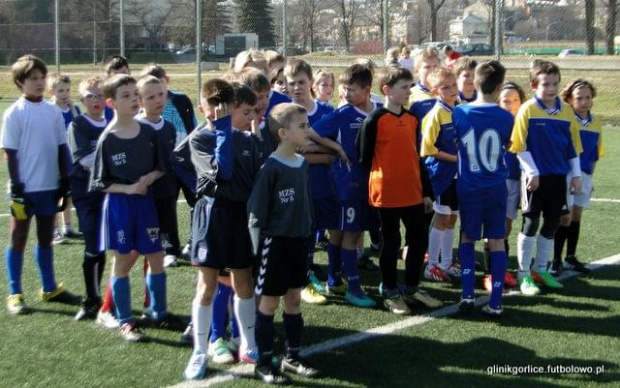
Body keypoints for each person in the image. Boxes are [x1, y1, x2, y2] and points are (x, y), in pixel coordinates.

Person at [183, 79, 261, 380]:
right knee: (207, 285)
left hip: (240, 218)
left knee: (243, 280)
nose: (218, 112)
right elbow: (222, 172)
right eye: (213, 106)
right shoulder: (199, 139)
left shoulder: (247, 140)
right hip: (211, 217)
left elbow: (256, 181)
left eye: (224, 107)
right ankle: (200, 351)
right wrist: (222, 129)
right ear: (203, 108)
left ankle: (249, 343)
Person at [90, 74, 171, 342]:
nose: (134, 100)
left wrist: (150, 178)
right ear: (111, 102)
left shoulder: (146, 132)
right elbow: (100, 183)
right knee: (123, 260)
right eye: (126, 96)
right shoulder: (108, 139)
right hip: (121, 206)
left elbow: (161, 166)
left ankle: (158, 311)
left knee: (156, 255)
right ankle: (125, 320)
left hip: (145, 203)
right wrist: (127, 188)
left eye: (135, 94)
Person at [356, 66, 442, 315]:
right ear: (387, 90)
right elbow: (363, 157)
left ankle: (412, 288)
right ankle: (391, 291)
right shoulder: (374, 119)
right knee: (390, 244)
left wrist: (426, 192)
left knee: (418, 240)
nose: (409, 92)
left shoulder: (413, 119)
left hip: (413, 192)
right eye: (404, 87)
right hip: (386, 194)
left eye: (410, 87)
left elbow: (417, 158)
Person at [1, 54, 81, 315]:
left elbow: (61, 147)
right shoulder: (14, 113)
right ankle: (15, 292)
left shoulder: (53, 112)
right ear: (20, 82)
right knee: (18, 238)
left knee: (45, 238)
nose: (38, 82)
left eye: (41, 77)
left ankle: (49, 288)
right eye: (32, 78)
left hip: (50, 187)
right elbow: (10, 153)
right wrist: (16, 187)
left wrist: (66, 180)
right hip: (24, 189)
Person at [248, 103, 318, 384]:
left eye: (307, 124)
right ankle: (264, 362)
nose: (308, 130)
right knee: (269, 303)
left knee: (294, 299)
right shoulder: (271, 168)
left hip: (300, 242)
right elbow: (256, 214)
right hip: (276, 245)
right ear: (283, 133)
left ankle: (292, 355)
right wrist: (258, 251)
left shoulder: (301, 163)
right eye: (302, 126)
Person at [509, 60, 583, 296]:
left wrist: (576, 174)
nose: (551, 88)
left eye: (554, 84)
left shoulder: (566, 111)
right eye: (545, 84)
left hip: (558, 177)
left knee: (552, 222)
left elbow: (572, 146)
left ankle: (542, 269)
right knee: (530, 222)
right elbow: (518, 146)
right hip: (534, 178)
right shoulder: (528, 109)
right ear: (533, 85)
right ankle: (524, 273)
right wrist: (532, 171)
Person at [311, 64, 378, 308]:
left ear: (367, 90)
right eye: (343, 89)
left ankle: (333, 279)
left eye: (351, 89)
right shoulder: (342, 115)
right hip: (345, 186)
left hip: (369, 185)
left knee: (343, 234)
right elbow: (310, 133)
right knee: (348, 235)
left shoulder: (378, 112)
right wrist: (335, 148)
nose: (346, 94)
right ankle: (354, 288)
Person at [454, 61, 514, 316]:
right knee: (497, 240)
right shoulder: (505, 116)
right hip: (495, 187)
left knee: (468, 237)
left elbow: (456, 140)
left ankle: (467, 295)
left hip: (469, 186)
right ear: (499, 87)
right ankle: (496, 302)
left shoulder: (460, 112)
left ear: (474, 83)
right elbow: (509, 143)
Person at [284, 59, 336, 306]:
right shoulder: (283, 113)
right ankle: (302, 282)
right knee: (301, 235)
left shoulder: (326, 112)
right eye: (290, 83)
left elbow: (335, 151)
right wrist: (322, 154)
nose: (296, 87)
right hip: (294, 186)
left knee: (331, 230)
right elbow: (291, 151)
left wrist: (313, 150)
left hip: (323, 185)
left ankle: (335, 278)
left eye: (301, 82)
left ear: (311, 83)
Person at [139, 63, 198, 263]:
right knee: (167, 205)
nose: (158, 96)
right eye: (151, 93)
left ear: (167, 82)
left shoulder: (181, 99)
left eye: (161, 86)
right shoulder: (141, 122)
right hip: (164, 167)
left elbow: (192, 127)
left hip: (186, 162)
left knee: (197, 200)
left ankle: (194, 241)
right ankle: (170, 248)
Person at [67, 76, 108, 321]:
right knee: (93, 244)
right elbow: (85, 160)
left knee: (114, 247)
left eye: (100, 94)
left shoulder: (113, 120)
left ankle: (112, 300)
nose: (96, 99)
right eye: (90, 95)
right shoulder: (78, 126)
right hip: (87, 195)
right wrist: (117, 164)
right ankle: (91, 298)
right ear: (82, 100)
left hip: (113, 194)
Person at [552, 79, 603, 275]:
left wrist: (591, 178)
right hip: (567, 174)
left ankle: (570, 257)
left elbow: (595, 152)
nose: (584, 101)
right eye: (579, 98)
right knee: (564, 217)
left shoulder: (595, 122)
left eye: (588, 97)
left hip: (585, 175)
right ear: (570, 99)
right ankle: (556, 259)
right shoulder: (567, 118)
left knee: (576, 216)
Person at [480, 81, 526, 293]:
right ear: (498, 101)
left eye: (515, 100)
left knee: (506, 228)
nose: (511, 104)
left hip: (517, 179)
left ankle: (501, 269)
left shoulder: (523, 120)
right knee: (494, 228)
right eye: (506, 101)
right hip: (497, 180)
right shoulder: (495, 121)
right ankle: (489, 273)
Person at [420, 67, 461, 282]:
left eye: (454, 85)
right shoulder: (436, 114)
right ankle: (431, 265)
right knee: (442, 217)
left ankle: (447, 263)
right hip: (441, 175)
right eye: (446, 87)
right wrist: (455, 159)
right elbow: (427, 149)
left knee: (452, 218)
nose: (452, 90)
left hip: (458, 175)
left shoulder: (459, 110)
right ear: (436, 91)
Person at [47, 73, 82, 243]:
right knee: (55, 195)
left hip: (71, 159)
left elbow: (80, 126)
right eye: (60, 90)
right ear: (51, 91)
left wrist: (74, 109)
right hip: (55, 159)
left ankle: (68, 227)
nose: (65, 94)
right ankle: (53, 231)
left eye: (67, 90)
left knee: (68, 194)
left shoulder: (74, 109)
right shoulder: (50, 110)